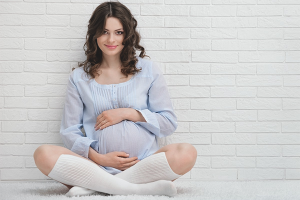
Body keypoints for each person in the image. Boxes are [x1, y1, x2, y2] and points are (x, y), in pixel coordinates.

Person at [33, 1, 197, 197]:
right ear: (94, 34)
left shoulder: (148, 71)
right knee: (43, 154)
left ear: (128, 35)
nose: (111, 39)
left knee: (187, 152)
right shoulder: (79, 77)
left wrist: (128, 113)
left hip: (143, 163)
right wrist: (100, 159)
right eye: (104, 31)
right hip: (95, 165)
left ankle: (98, 187)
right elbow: (70, 131)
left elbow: (168, 123)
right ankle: (136, 188)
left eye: (118, 32)